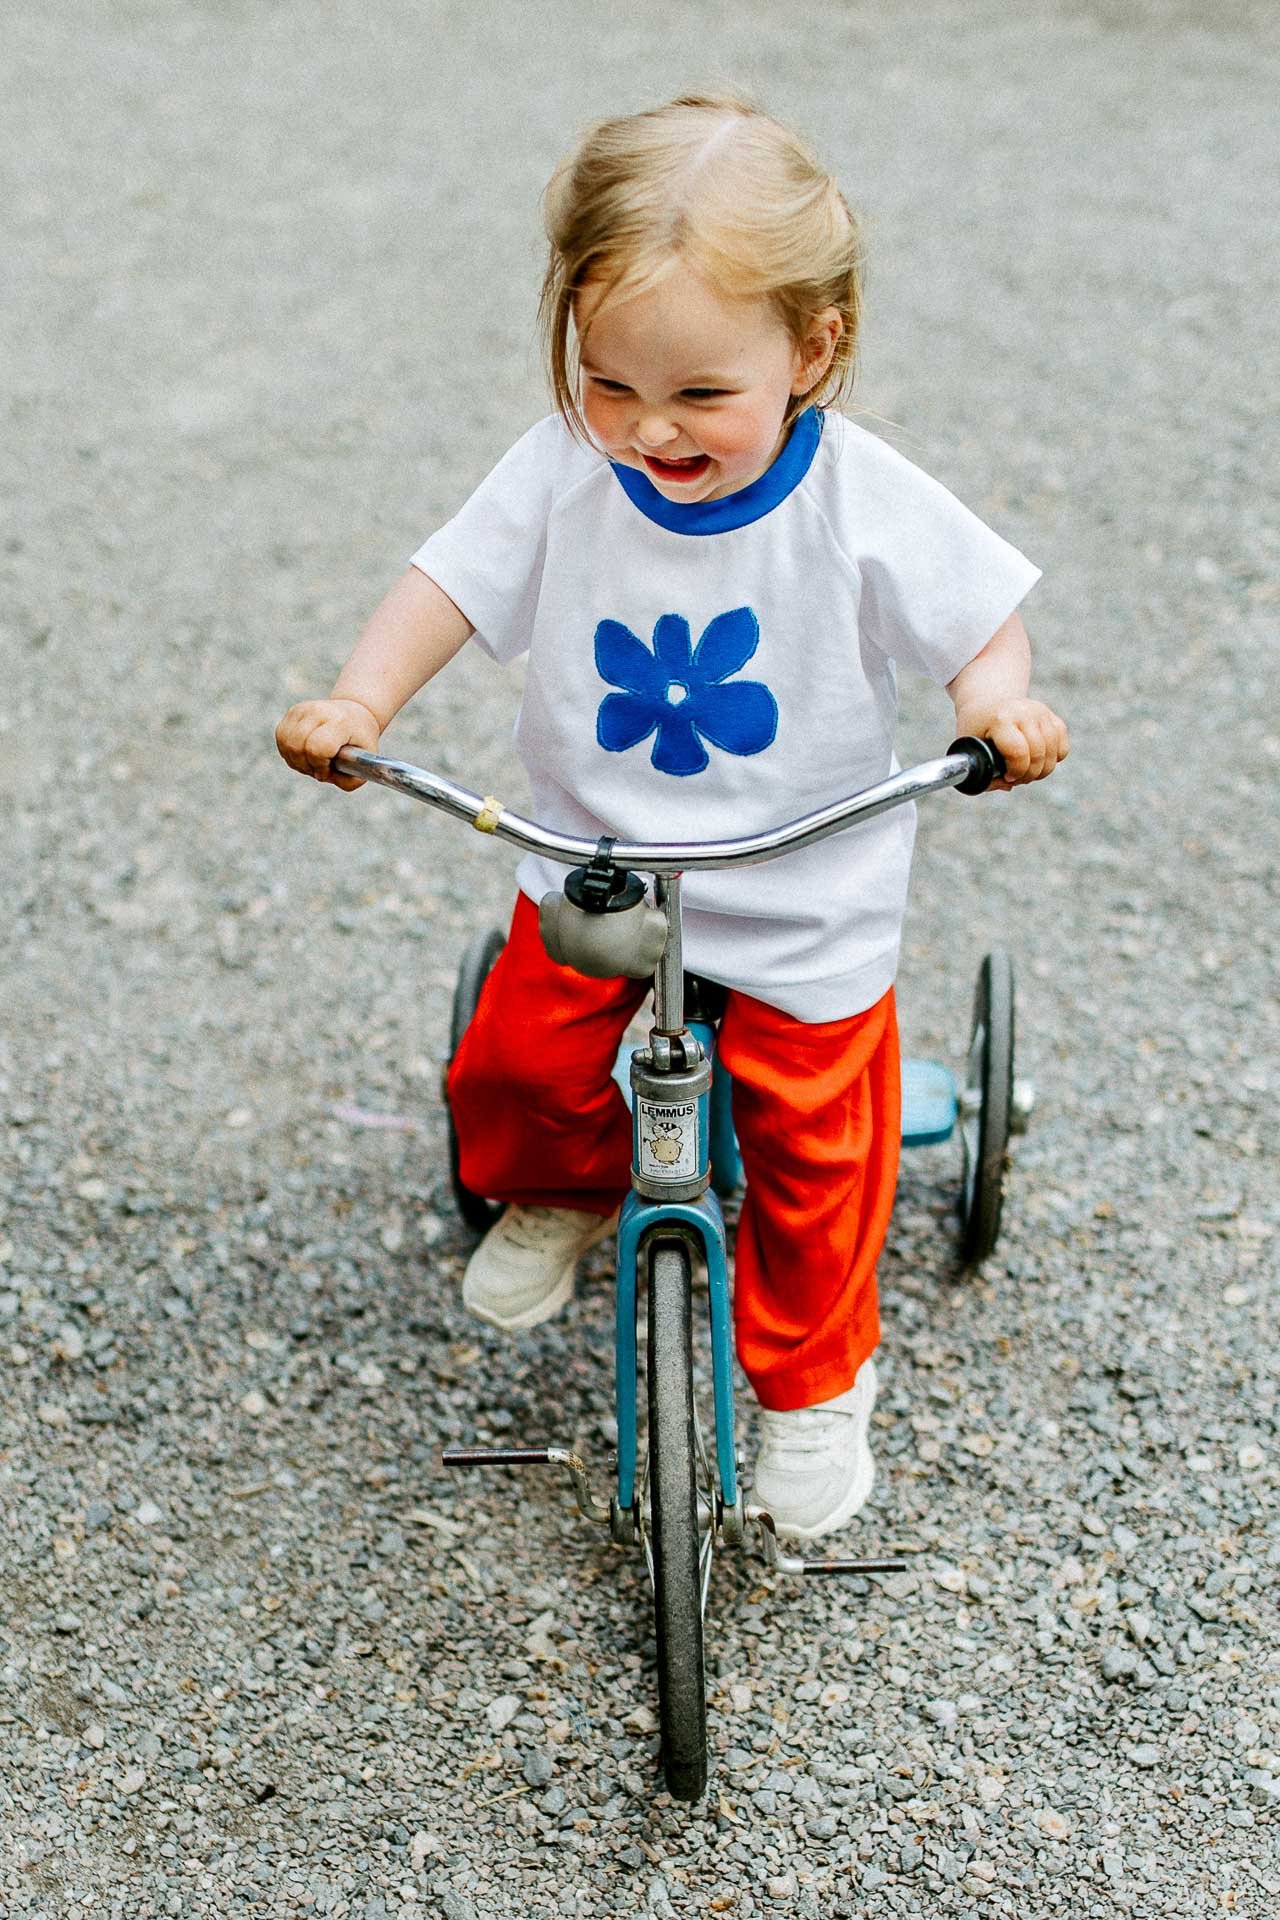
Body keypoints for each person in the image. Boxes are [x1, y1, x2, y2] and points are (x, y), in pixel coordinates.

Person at [276, 92, 1069, 1540]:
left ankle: (817, 1382)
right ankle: (570, 1190)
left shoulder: (857, 496)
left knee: (821, 1162)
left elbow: (980, 622)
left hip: (804, 891)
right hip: (599, 873)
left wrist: (997, 707)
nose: (649, 429)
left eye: (701, 393)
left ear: (811, 349)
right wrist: (360, 699)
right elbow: (448, 581)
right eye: (610, 382)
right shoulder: (565, 469)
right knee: (517, 1066)